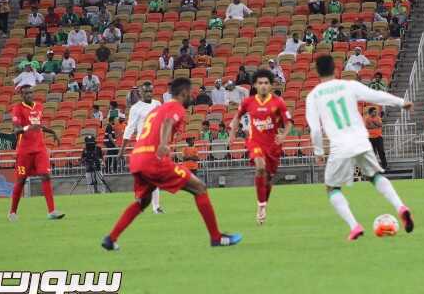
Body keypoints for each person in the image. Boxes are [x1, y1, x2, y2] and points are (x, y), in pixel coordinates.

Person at [102, 78, 242, 250]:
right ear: (183, 93)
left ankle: (111, 238)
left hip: (138, 157)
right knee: (200, 188)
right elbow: (168, 121)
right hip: (154, 159)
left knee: (143, 201)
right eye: (190, 92)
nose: (192, 96)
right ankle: (216, 237)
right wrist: (163, 144)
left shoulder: (158, 109)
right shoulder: (176, 107)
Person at [305, 55, 414, 240]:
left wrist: (318, 152)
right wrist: (401, 102)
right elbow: (377, 95)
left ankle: (354, 226)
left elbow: (315, 129)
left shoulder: (314, 95)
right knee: (375, 176)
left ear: (317, 72)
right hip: (361, 140)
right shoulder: (349, 85)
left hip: (340, 146)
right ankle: (400, 206)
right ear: (336, 69)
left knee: (332, 188)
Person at [228, 69, 292, 225]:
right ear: (255, 85)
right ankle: (260, 205)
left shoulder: (278, 102)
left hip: (272, 145)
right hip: (254, 142)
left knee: (268, 179)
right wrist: (232, 134)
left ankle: (264, 204)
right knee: (260, 166)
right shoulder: (248, 102)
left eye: (266, 83)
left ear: (270, 85)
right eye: (260, 83)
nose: (263, 86)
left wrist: (283, 136)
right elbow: (237, 117)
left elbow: (289, 122)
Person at [8, 85, 63, 221]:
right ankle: (12, 212)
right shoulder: (17, 109)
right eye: (26, 93)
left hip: (40, 149)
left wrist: (52, 132)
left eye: (31, 92)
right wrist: (27, 127)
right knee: (21, 180)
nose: (29, 95)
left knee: (46, 176)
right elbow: (16, 130)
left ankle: (52, 211)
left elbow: (38, 125)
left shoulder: (39, 106)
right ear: (22, 95)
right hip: (24, 151)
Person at [118, 82, 165, 214]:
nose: (149, 93)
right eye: (146, 91)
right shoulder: (135, 108)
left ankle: (156, 206)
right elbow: (130, 129)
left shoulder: (157, 104)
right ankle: (140, 201)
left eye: (151, 90)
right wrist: (122, 150)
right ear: (140, 93)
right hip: (142, 145)